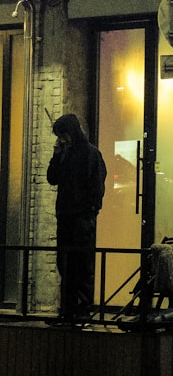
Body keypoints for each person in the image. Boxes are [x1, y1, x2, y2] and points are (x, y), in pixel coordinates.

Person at [46, 113, 107, 325]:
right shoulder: (65, 154)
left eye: (63, 135)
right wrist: (56, 156)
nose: (61, 139)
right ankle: (67, 311)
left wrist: (90, 211)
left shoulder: (90, 154)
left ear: (71, 132)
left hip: (81, 218)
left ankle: (82, 312)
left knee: (82, 265)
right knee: (65, 264)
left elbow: (96, 186)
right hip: (65, 216)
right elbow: (52, 179)